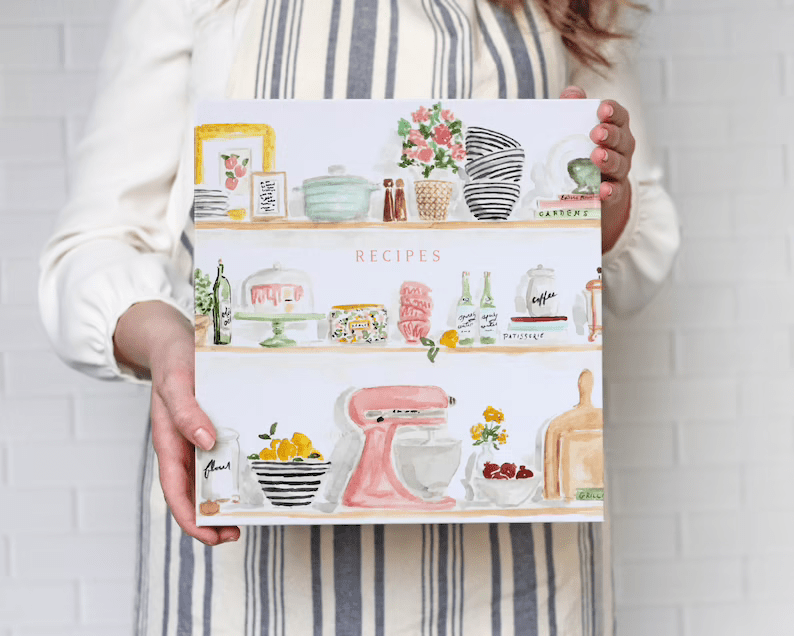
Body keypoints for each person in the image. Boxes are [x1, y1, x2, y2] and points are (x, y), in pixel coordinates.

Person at [39, 0, 679, 633]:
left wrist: (600, 194)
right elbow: (98, 242)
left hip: (513, 580)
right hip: (245, 574)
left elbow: (636, 247)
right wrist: (164, 338)